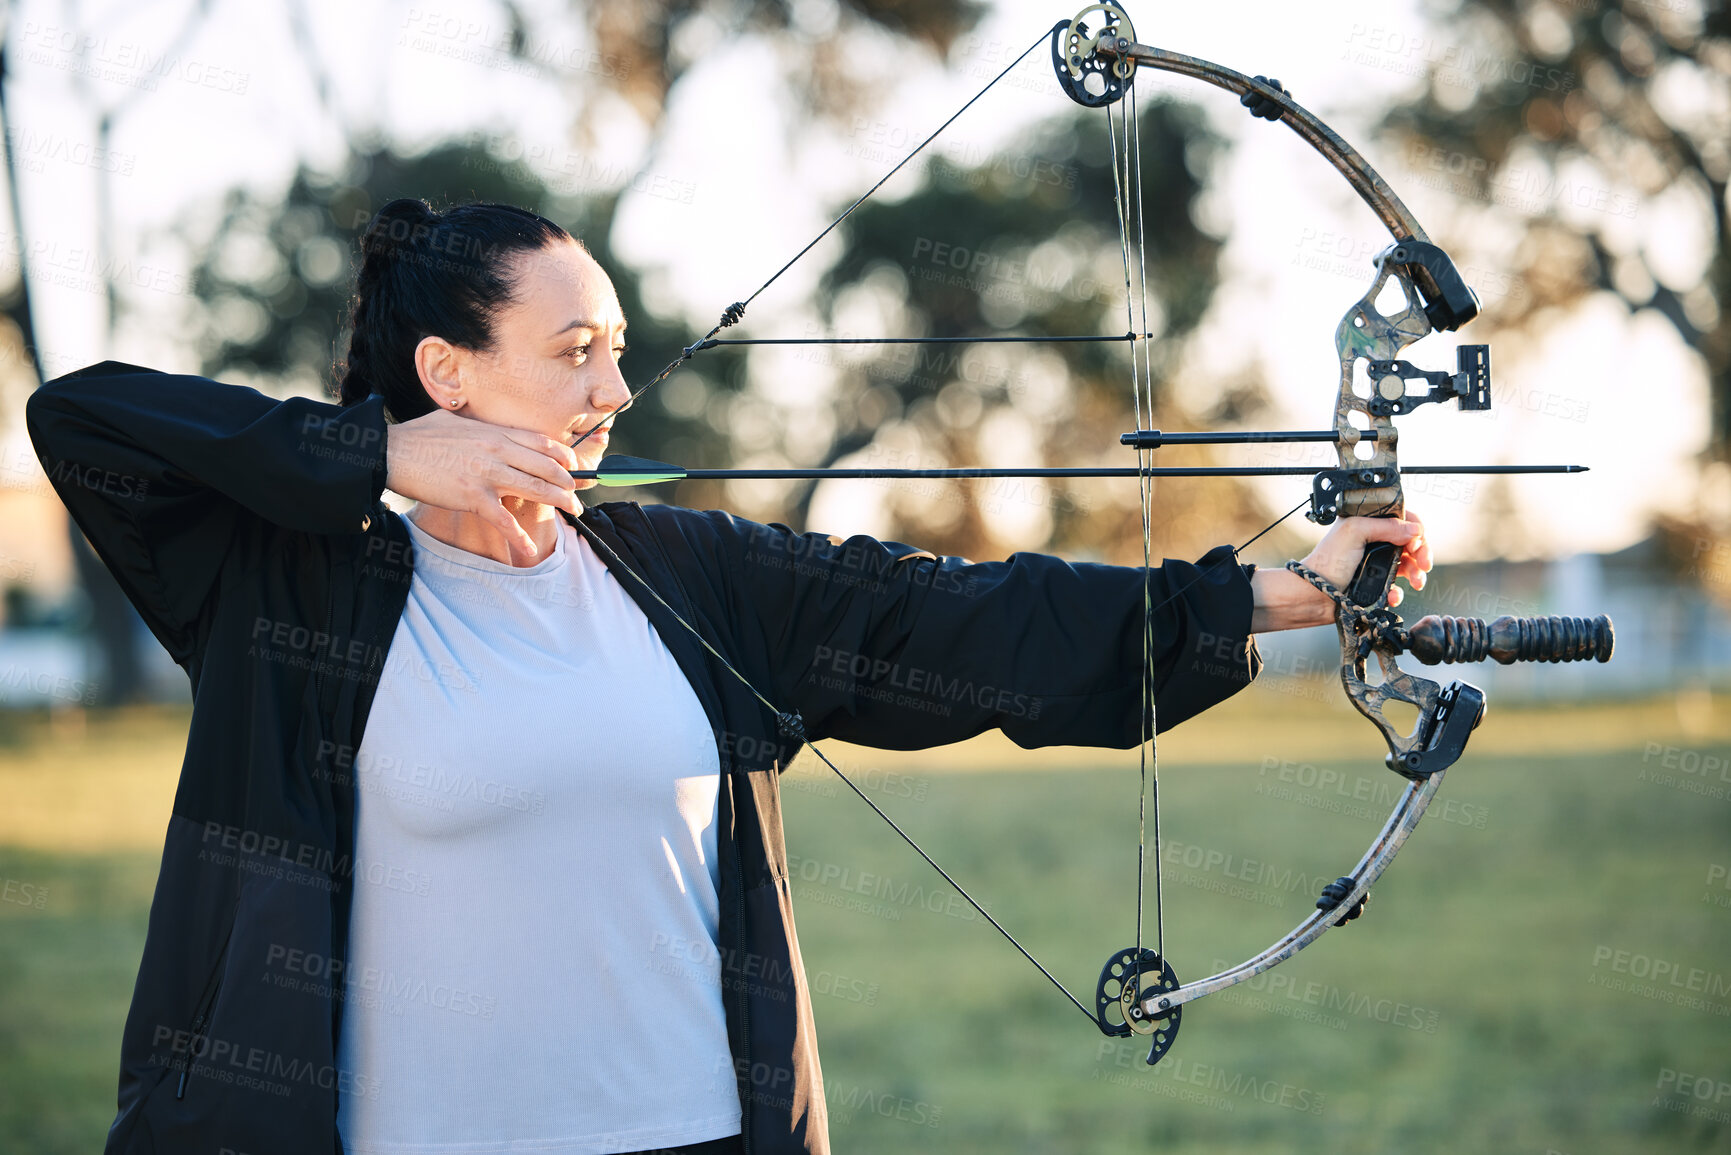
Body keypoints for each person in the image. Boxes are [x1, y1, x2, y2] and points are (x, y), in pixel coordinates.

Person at [25, 197, 1430, 1155]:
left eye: (617, 355)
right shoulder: (287, 588)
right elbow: (81, 417)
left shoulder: (688, 577)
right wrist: (374, 458)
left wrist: (1281, 590)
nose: (612, 395)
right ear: (446, 372)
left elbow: (963, 620)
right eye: (574, 354)